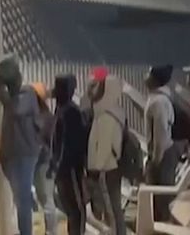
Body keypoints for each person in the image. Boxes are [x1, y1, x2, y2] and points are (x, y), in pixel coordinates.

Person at [0, 56, 39, 235]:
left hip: (25, 155)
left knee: (22, 201)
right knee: (20, 198)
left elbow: (17, 110)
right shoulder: (11, 99)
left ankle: (25, 232)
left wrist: (3, 94)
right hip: (10, 155)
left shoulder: (27, 94)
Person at [85, 72, 126, 235]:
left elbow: (103, 148)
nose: (91, 91)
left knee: (112, 210)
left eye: (96, 87)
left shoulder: (107, 117)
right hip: (106, 170)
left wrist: (95, 170)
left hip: (106, 171)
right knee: (112, 210)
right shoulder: (103, 113)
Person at [51, 74, 87, 235]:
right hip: (70, 170)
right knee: (77, 211)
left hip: (62, 169)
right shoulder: (71, 111)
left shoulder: (60, 110)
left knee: (72, 211)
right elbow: (72, 145)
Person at [144, 65, 179, 221]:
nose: (145, 76)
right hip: (163, 152)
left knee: (161, 199)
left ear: (154, 79)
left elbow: (160, 133)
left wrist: (155, 160)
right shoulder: (158, 98)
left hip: (162, 154)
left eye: (149, 73)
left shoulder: (158, 102)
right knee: (159, 199)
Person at [31, 82, 57, 235]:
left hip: (42, 162)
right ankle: (50, 231)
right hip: (43, 162)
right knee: (45, 199)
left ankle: (51, 232)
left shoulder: (43, 118)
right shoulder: (48, 116)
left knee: (46, 200)